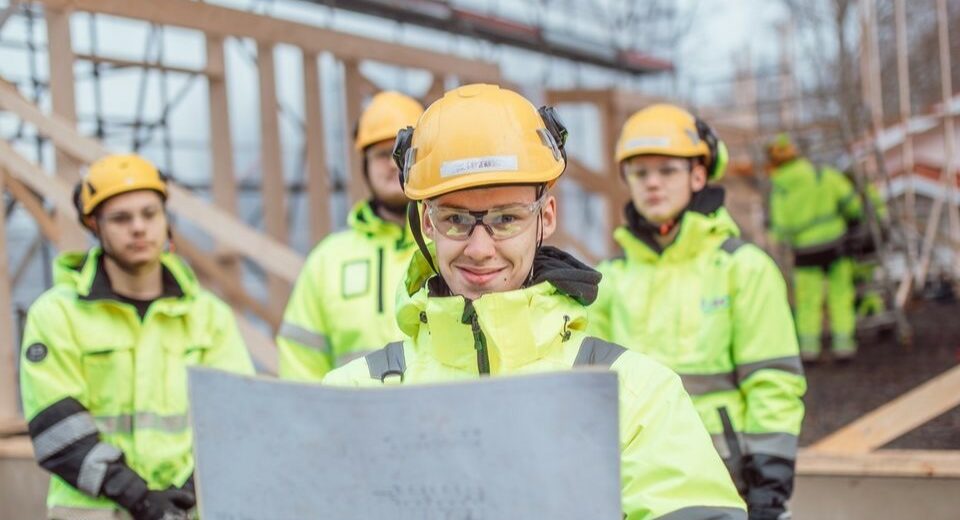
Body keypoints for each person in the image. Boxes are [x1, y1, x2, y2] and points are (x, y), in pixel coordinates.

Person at [323, 84, 747, 520]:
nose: (480, 248)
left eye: (506, 218)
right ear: (427, 224)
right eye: (455, 220)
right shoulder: (353, 397)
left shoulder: (634, 396)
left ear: (545, 217)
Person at [588, 105, 806, 520]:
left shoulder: (743, 267)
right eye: (640, 172)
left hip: (728, 480)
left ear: (698, 175)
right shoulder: (607, 280)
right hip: (634, 482)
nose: (652, 183)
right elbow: (586, 389)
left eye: (667, 170)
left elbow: (772, 382)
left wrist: (769, 491)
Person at [19, 154, 255, 520]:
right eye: (121, 218)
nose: (139, 228)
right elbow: (57, 429)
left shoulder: (208, 316)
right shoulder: (57, 315)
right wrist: (139, 497)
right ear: (95, 225)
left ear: (166, 220)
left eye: (150, 214)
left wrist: (187, 494)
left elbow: (237, 417)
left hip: (189, 511)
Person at [277, 91, 424, 381]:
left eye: (405, 153)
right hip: (350, 422)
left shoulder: (456, 247)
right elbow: (301, 365)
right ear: (364, 167)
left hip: (442, 419)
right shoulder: (327, 261)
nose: (393, 164)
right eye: (382, 155)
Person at [766, 133, 863, 361]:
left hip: (805, 253)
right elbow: (852, 203)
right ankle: (844, 344)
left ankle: (809, 348)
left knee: (808, 300)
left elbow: (780, 227)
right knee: (841, 294)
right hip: (836, 245)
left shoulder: (780, 188)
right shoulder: (822, 174)